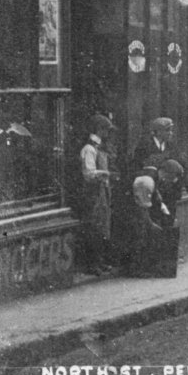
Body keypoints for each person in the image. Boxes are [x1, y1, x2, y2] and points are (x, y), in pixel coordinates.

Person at [125, 160, 182, 277]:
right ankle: (136, 270)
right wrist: (150, 223)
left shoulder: (153, 177)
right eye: (172, 178)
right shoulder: (147, 181)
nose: (172, 181)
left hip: (138, 207)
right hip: (132, 210)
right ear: (166, 173)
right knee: (140, 234)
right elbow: (142, 208)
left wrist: (166, 214)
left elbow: (157, 199)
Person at [78, 114, 118, 275]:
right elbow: (89, 173)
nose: (107, 134)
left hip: (102, 192)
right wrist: (106, 174)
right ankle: (92, 263)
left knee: (102, 227)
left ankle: (99, 261)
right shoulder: (89, 149)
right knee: (94, 227)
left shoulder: (99, 148)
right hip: (93, 193)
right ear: (99, 130)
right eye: (106, 130)